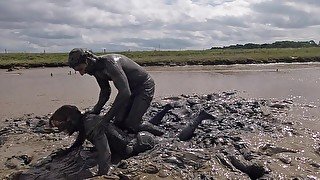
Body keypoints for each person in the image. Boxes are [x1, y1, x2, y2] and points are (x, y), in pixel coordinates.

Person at [68, 48, 163, 135]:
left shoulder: (110, 64)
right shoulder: (95, 69)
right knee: (118, 122)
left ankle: (161, 133)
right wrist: (95, 110)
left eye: (81, 69)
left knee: (132, 124)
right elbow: (105, 91)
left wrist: (106, 119)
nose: (81, 73)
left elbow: (125, 93)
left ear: (88, 60)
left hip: (144, 86)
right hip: (130, 88)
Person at [49, 105, 156, 175]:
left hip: (136, 144)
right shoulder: (84, 121)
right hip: (128, 141)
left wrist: (101, 175)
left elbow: (105, 153)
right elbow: (79, 142)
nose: (59, 128)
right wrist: (64, 152)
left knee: (151, 131)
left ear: (69, 119)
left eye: (59, 124)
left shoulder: (90, 124)